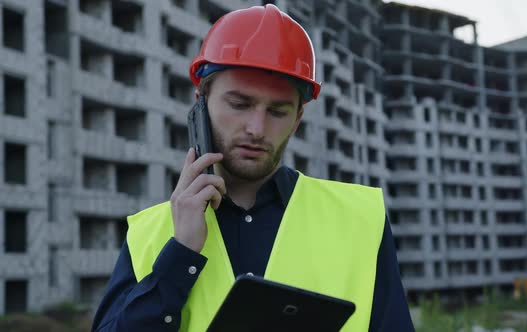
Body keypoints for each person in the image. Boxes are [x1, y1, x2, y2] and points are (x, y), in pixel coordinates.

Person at [92, 4, 414, 332]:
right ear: (201, 103)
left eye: (277, 111)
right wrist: (179, 256)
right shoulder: (149, 234)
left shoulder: (361, 218)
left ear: (297, 119)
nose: (256, 128)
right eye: (240, 104)